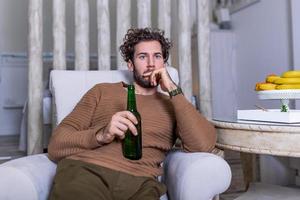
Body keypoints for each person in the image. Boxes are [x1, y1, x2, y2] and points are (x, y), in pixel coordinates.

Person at [48, 27, 216, 200]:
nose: (151, 63)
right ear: (130, 64)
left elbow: (204, 145)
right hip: (87, 171)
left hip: (142, 182)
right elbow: (56, 145)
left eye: (157, 56)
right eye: (142, 57)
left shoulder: (173, 104)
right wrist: (101, 135)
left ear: (164, 64)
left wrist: (173, 89)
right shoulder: (101, 92)